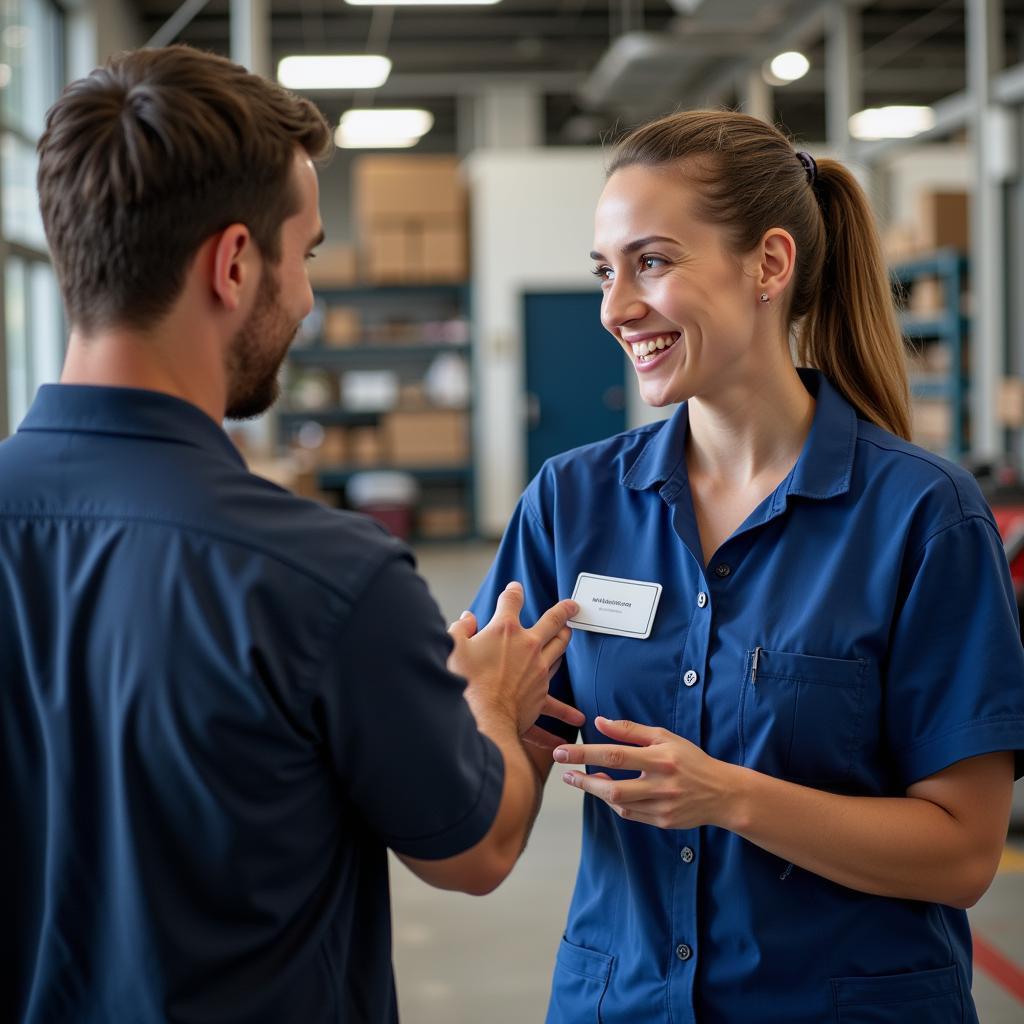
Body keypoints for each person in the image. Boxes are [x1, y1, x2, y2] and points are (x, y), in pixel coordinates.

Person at [0, 46, 582, 1024]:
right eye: (305, 254)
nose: (308, 296)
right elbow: (473, 848)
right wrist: (490, 702)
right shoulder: (325, 576)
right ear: (233, 263)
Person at [471, 109, 1024, 1023]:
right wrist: (473, 717)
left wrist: (728, 796)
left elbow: (964, 855)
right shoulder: (569, 506)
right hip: (621, 1002)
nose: (616, 308)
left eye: (652, 262)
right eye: (606, 272)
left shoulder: (923, 517)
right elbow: (497, 810)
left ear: (769, 265)